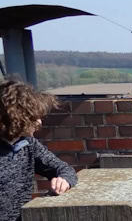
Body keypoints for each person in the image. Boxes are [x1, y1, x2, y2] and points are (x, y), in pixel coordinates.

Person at [0, 80, 77, 221]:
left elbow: (63, 168)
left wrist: (64, 180)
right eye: (32, 117)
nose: (39, 122)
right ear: (13, 117)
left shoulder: (29, 144)